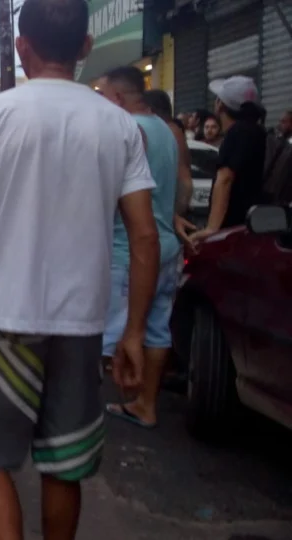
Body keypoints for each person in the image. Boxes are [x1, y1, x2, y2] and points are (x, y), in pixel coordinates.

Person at [0, 1, 159, 538]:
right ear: (85, 46)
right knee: (65, 464)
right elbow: (144, 235)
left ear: (22, 47)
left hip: (2, 319)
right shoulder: (119, 125)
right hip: (82, 324)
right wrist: (134, 331)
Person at [99, 67, 181, 430]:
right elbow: (177, 186)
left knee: (108, 338)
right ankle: (146, 404)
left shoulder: (129, 131)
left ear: (118, 98)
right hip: (167, 247)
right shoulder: (166, 129)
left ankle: (80, 417)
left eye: (103, 96)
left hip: (129, 250)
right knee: (158, 329)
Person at [186, 76, 268, 245]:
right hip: (250, 224)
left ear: (220, 104)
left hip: (232, 229)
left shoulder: (238, 132)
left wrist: (211, 228)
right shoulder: (256, 131)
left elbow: (225, 179)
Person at [143, 89, 195, 247]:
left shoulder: (168, 131)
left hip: (159, 228)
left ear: (149, 110)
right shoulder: (173, 131)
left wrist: (173, 216)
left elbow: (185, 182)